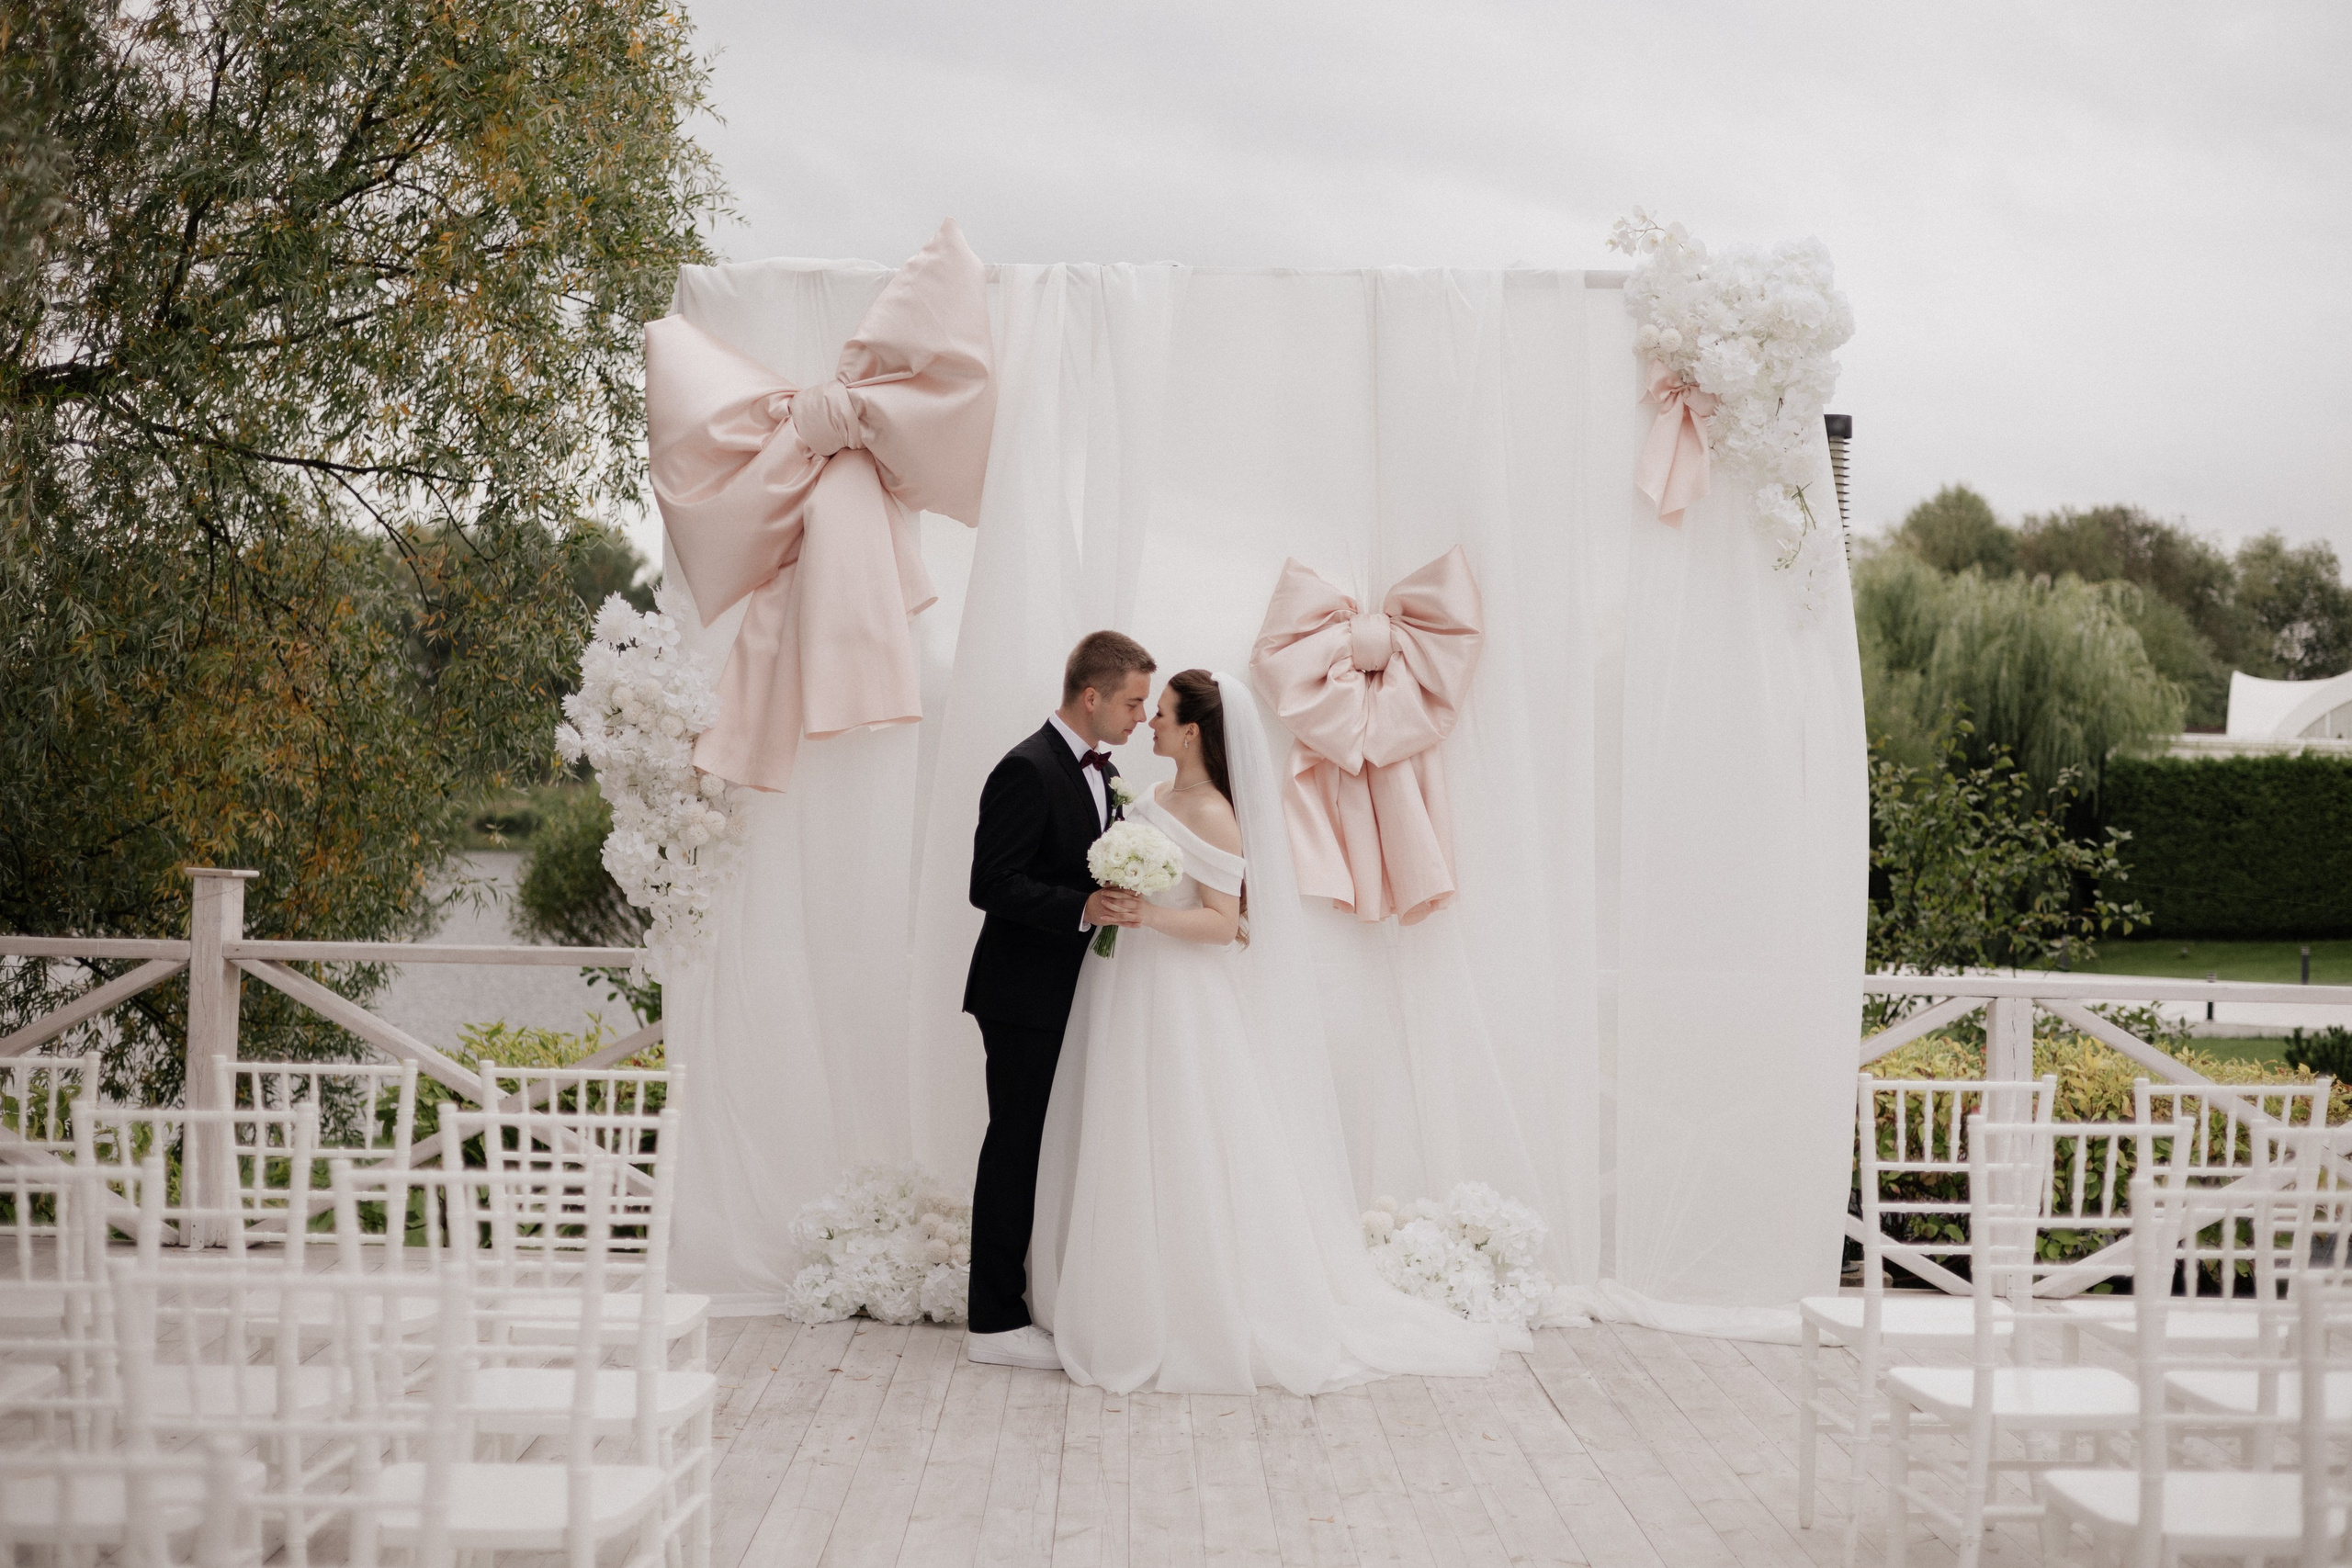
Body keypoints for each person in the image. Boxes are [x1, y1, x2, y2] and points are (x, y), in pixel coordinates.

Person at [1028, 670, 1502, 1394]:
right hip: (1127, 989)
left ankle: (1199, 1303)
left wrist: (1148, 915)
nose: (1149, 723)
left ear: (1192, 731)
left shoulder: (1218, 814)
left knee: (1188, 1132)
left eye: (1161, 714)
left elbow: (1221, 924)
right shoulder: (1151, 797)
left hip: (1183, 998)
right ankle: (1125, 1291)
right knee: (1129, 1128)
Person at [960, 630, 1155, 1369]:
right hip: (1021, 993)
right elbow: (992, 883)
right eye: (1134, 701)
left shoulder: (1099, 772)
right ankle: (992, 1321)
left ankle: (1029, 1298)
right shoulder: (1027, 767)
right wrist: (1085, 906)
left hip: (1066, 993)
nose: (1141, 716)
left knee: (1043, 1144)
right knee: (1014, 1145)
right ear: (1093, 695)